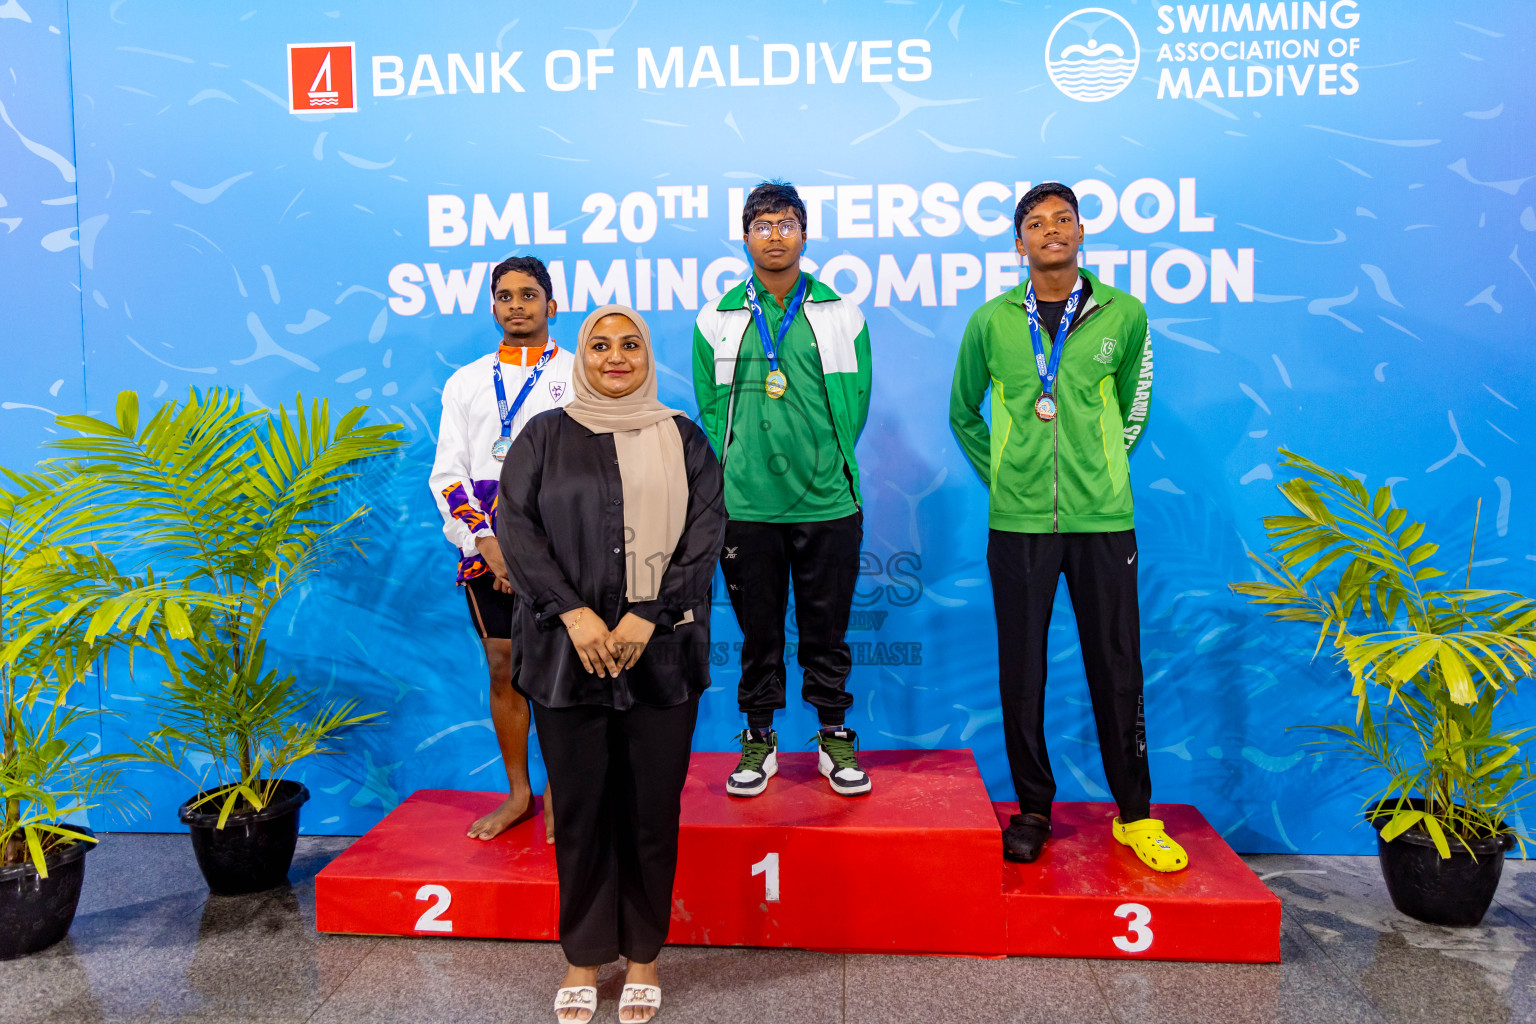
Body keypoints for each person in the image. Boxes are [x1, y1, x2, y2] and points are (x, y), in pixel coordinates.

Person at [948, 183, 1187, 873]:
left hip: (1103, 520)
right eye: (1034, 222)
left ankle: (1136, 815)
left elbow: (1134, 407)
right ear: (1017, 242)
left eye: (1062, 219)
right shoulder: (992, 322)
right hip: (1018, 524)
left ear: (1081, 232)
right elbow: (965, 412)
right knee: (1021, 670)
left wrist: (1104, 468)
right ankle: (1032, 809)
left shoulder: (1125, 313)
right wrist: (1008, 476)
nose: (1050, 230)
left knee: (1118, 668)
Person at [498, 305, 725, 1023]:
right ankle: (583, 955)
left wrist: (643, 614)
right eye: (601, 345)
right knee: (584, 811)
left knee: (652, 814)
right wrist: (575, 612)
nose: (616, 356)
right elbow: (516, 529)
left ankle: (646, 958)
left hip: (659, 656)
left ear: (647, 356)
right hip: (568, 655)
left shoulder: (683, 438)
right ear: (582, 357)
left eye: (630, 345)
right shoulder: (542, 437)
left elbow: (705, 530)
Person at [691, 180, 873, 798]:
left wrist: (825, 461)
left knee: (827, 629)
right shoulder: (716, 316)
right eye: (762, 225)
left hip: (827, 502)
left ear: (804, 233)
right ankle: (758, 739)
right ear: (744, 237)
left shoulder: (839, 311)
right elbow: (712, 411)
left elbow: (854, 404)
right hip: (746, 507)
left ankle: (833, 735)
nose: (775, 235)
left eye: (786, 223)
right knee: (759, 634)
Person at [429, 256, 574, 844]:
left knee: (569, 671)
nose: (517, 305)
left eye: (529, 294)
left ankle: (566, 795)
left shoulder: (578, 372)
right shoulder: (465, 381)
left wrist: (540, 549)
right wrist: (485, 541)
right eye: (506, 296)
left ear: (551, 306)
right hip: (486, 546)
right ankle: (519, 793)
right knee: (503, 669)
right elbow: (447, 474)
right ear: (493, 307)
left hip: (564, 546)